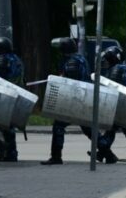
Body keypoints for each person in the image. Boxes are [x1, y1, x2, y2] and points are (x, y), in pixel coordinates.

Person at [41, 37, 116, 165]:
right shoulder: (80, 58)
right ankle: (109, 155)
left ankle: (56, 157)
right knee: (89, 129)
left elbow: (71, 82)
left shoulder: (72, 62)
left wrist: (59, 79)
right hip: (83, 99)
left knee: (58, 126)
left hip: (75, 100)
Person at [0, 37, 23, 162]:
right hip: (16, 94)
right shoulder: (16, 59)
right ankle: (11, 152)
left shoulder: (1, 59)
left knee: (5, 126)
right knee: (7, 125)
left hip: (4, 95)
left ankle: (10, 152)